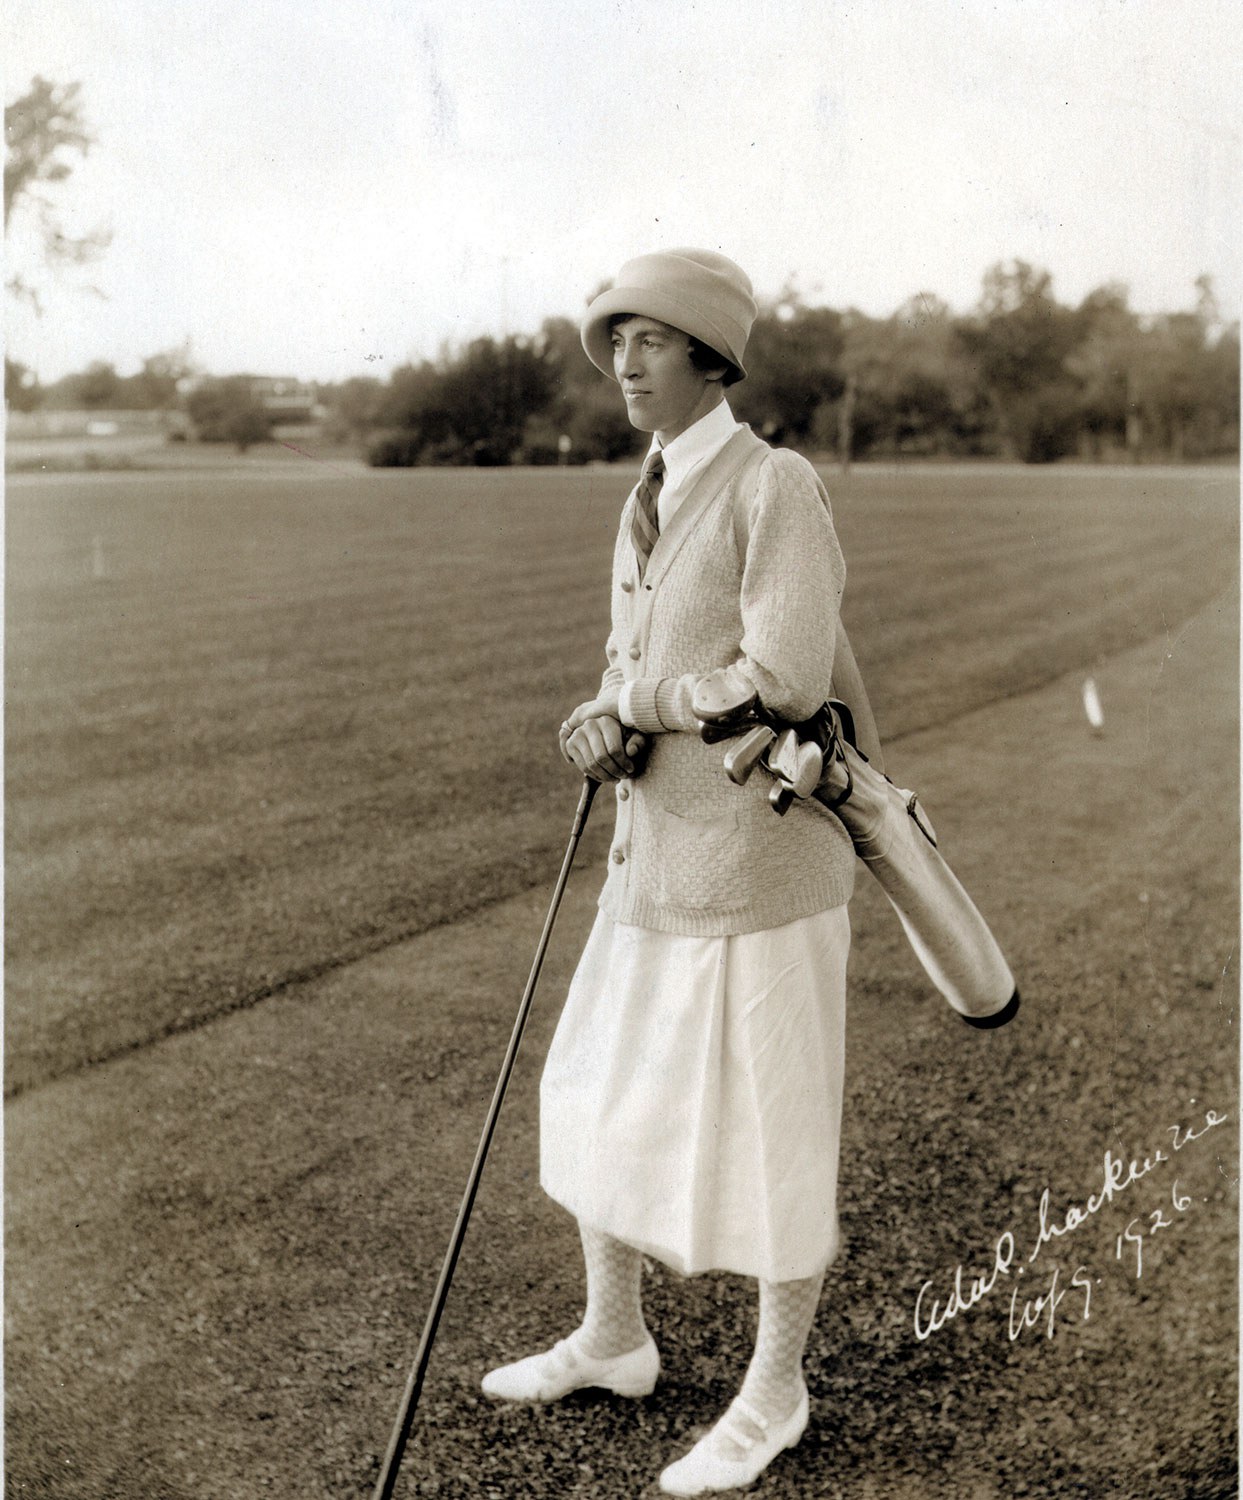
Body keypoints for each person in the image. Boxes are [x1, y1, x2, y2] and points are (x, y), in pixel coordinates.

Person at [481, 248, 859, 1496]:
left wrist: (637, 703)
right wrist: (600, 719)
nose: (626, 364)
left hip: (764, 865)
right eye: (616, 343)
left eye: (649, 340)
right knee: (594, 1091)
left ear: (710, 357)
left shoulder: (773, 483)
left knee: (775, 1126)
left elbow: (786, 673)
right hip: (653, 856)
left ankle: (775, 1390)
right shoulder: (642, 493)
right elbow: (625, 662)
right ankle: (614, 1336)